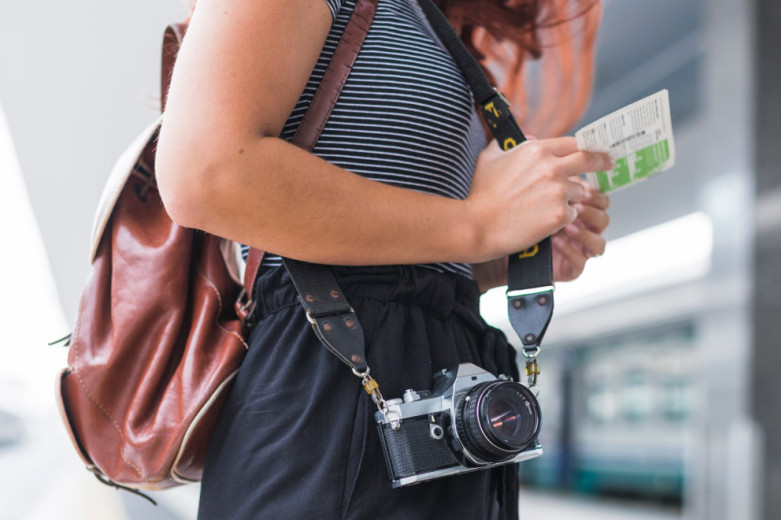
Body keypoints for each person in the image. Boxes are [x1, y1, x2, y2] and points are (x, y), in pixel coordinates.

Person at [156, 0, 611, 518]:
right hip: (330, 395)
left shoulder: (430, 19)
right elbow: (207, 172)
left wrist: (494, 258)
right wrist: (477, 225)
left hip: (420, 402)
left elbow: (403, 255)